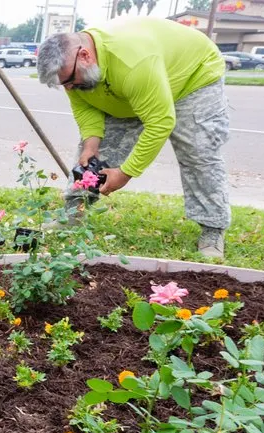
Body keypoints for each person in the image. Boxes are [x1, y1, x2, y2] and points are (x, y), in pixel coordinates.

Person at [36, 17, 231, 258]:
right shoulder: (76, 71)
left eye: (68, 81)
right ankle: (73, 214)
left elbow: (160, 122)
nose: (68, 89)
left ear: (85, 56)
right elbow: (85, 106)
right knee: (93, 157)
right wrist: (91, 143)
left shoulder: (133, 62)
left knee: (198, 151)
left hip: (193, 76)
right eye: (62, 85)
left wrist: (126, 172)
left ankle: (212, 229)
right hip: (132, 88)